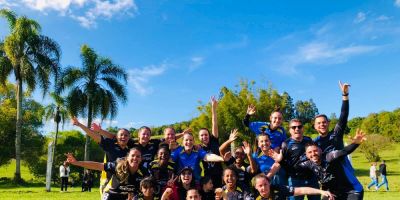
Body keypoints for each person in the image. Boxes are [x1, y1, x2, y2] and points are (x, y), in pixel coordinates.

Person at [298, 128, 366, 200]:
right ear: (306, 155)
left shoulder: (330, 157)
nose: (313, 154)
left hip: (352, 190)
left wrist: (355, 143)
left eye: (315, 151)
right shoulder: (308, 164)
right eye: (310, 152)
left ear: (320, 150)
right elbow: (295, 167)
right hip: (334, 193)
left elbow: (345, 151)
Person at [66, 147, 148, 200]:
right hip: (112, 196)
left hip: (130, 197)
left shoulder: (144, 172)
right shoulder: (118, 166)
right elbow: (97, 165)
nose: (135, 158)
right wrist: (77, 162)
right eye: (133, 155)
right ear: (127, 157)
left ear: (141, 159)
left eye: (138, 156)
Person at [280, 119, 319, 200]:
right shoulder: (285, 144)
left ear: (303, 128)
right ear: (290, 130)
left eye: (299, 127)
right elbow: (282, 162)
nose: (297, 129)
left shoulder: (308, 140)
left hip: (312, 178)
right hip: (295, 180)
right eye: (293, 127)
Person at [314, 81, 350, 154]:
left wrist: (345, 95)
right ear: (315, 126)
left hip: (342, 165)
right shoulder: (314, 143)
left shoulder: (336, 133)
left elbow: (344, 114)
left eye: (324, 122)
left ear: (328, 123)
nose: (322, 124)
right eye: (319, 123)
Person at [199, 96, 224, 188]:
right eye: (201, 135)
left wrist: (213, 108)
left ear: (209, 135)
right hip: (207, 178)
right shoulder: (199, 148)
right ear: (199, 138)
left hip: (219, 175)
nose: (204, 136)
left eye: (206, 134)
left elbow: (214, 123)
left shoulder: (214, 141)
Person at [252, 173, 335, 200]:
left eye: (265, 184)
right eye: (260, 186)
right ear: (255, 187)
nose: (263, 188)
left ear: (269, 183)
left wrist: (321, 191)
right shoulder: (253, 196)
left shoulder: (279, 189)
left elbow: (302, 190)